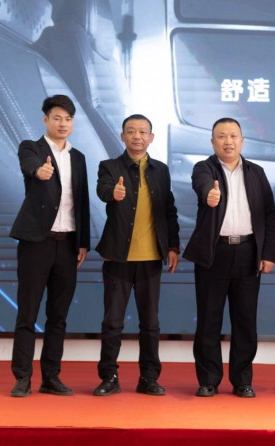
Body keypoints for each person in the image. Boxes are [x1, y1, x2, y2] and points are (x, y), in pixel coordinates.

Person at [183, 117, 275, 398]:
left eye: (233, 136)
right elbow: (202, 186)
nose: (228, 141)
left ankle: (242, 380)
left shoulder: (256, 172)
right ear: (212, 142)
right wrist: (210, 195)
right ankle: (208, 380)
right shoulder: (204, 168)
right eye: (221, 136)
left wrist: (268, 252)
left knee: (245, 321)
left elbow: (270, 214)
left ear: (242, 140)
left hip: (248, 252)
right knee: (208, 320)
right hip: (214, 253)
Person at [92, 114, 180, 397]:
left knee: (150, 324)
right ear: (122, 136)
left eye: (143, 132)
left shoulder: (161, 170)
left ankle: (148, 378)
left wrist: (173, 247)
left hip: (151, 258)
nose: (137, 136)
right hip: (117, 257)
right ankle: (109, 377)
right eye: (131, 131)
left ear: (151, 138)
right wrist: (113, 193)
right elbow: (102, 190)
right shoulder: (109, 166)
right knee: (112, 322)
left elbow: (169, 211)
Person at [9, 94, 90, 397]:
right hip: (37, 243)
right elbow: (29, 165)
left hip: (68, 245)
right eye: (57, 118)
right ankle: (22, 377)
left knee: (58, 316)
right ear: (46, 120)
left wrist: (83, 243)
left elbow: (81, 202)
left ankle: (51, 377)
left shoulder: (78, 157)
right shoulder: (31, 148)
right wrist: (39, 171)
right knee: (27, 314)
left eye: (68, 119)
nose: (63, 124)